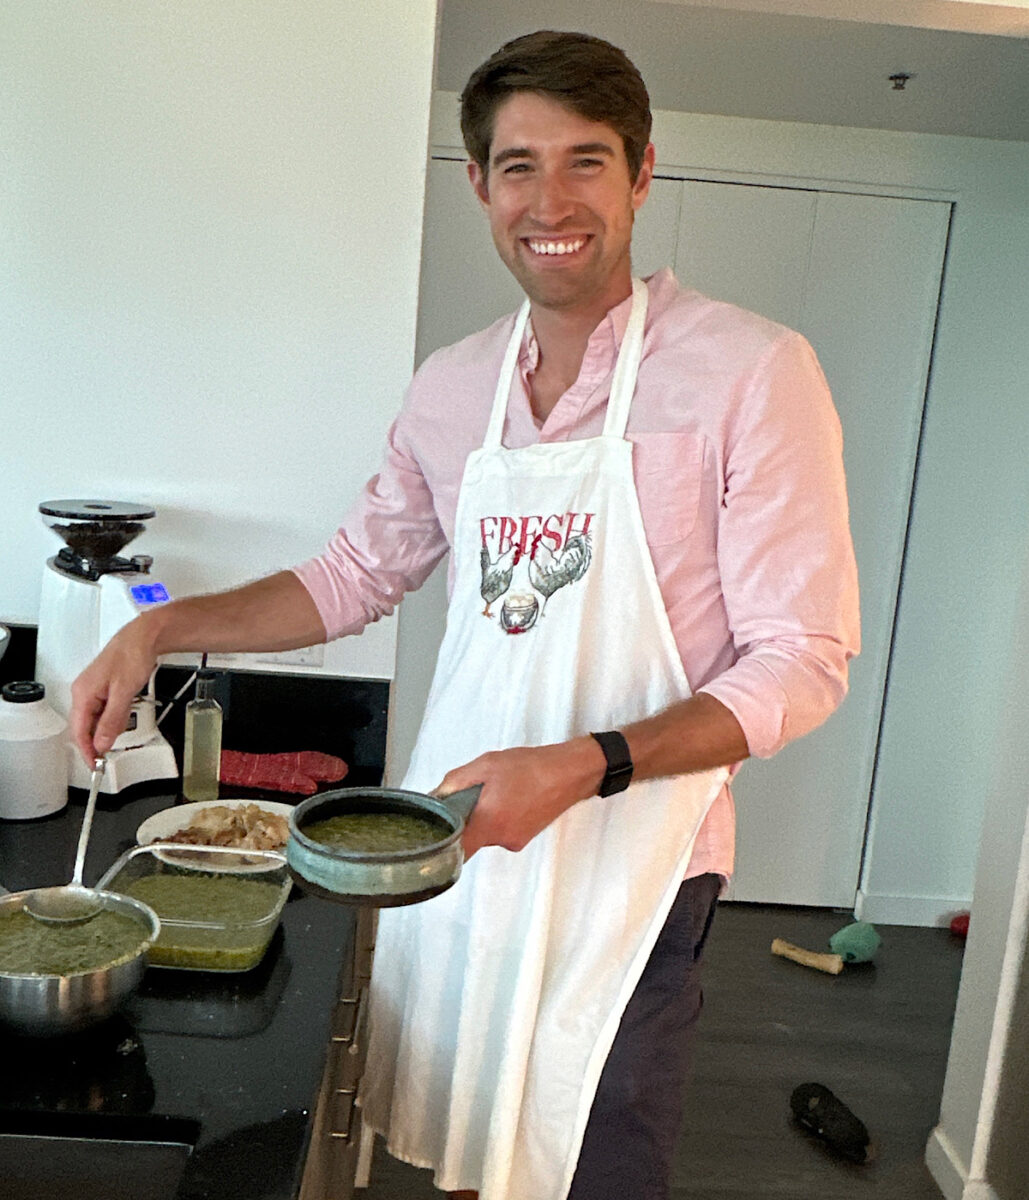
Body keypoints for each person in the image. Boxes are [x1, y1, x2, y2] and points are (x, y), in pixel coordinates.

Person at [70, 30, 859, 1200]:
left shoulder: (752, 371)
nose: (554, 201)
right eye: (519, 164)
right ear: (481, 184)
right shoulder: (453, 386)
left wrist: (583, 765)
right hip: (462, 837)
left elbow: (803, 661)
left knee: (592, 1158)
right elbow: (350, 576)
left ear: (643, 175)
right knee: (466, 1142)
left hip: (635, 865)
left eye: (587, 162)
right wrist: (154, 626)